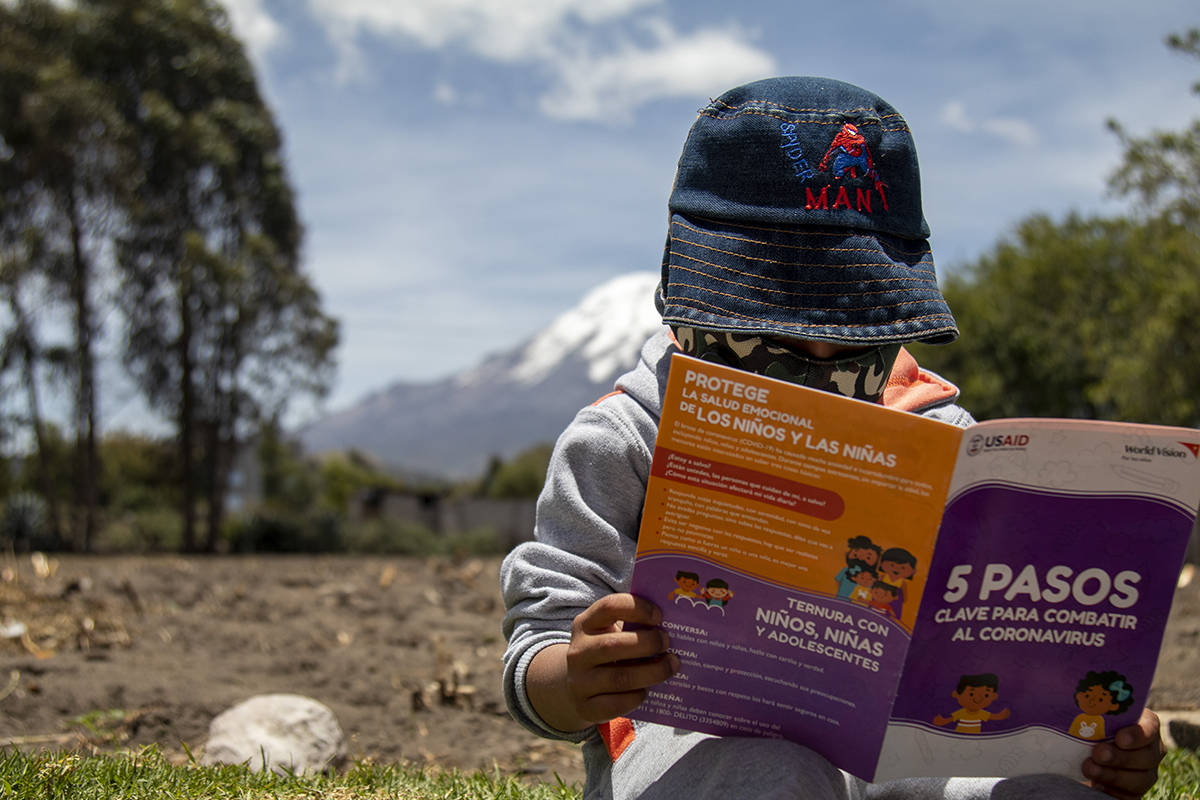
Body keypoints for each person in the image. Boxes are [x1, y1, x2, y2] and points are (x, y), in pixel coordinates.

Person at [500, 77, 1164, 800]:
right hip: (701, 756)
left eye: (855, 343)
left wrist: (1090, 736)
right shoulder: (622, 437)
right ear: (683, 305)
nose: (818, 364)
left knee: (1044, 785)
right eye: (776, 334)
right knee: (772, 771)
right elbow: (540, 641)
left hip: (906, 759)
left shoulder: (947, 443)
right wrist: (575, 676)